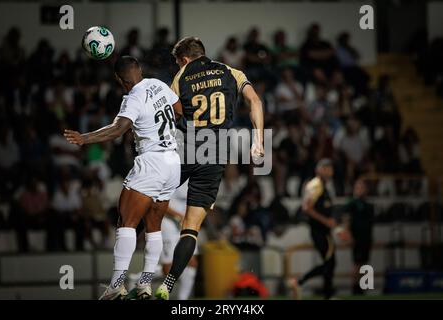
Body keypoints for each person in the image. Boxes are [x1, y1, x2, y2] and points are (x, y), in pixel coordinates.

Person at [64, 56, 182, 300]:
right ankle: (145, 284)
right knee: (154, 228)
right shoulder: (159, 84)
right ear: (139, 69)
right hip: (172, 161)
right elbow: (179, 110)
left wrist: (84, 138)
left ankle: (117, 285)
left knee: (127, 223)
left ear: (119, 79)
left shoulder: (134, 97)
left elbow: (118, 129)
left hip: (151, 161)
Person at [154, 37, 264, 300]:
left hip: (185, 150)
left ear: (184, 60)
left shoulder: (182, 75)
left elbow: (172, 113)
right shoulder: (232, 73)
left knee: (150, 196)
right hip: (215, 156)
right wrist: (258, 140)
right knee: (191, 229)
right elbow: (256, 102)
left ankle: (142, 274)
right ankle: (167, 284)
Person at [290, 159, 349, 299]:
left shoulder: (324, 186)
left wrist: (335, 227)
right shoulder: (315, 185)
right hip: (319, 231)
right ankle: (299, 281)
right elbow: (306, 208)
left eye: (330, 168)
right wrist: (326, 221)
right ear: (318, 170)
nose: (329, 171)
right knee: (330, 263)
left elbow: (325, 210)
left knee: (330, 264)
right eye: (326, 168)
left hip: (324, 230)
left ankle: (326, 294)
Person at [343, 179, 374, 295]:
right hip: (356, 238)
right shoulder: (351, 204)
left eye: (362, 187)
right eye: (358, 187)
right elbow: (346, 221)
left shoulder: (369, 206)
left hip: (366, 238)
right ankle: (355, 289)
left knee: (365, 263)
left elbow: (370, 224)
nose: (360, 190)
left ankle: (364, 287)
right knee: (357, 264)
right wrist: (348, 235)